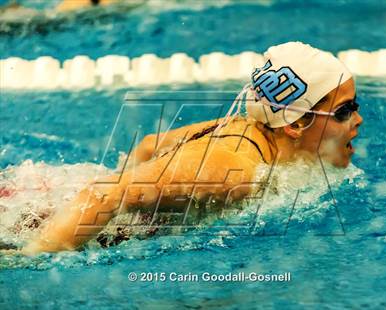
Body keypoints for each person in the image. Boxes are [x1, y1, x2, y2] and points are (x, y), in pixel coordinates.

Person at [22, 42, 362, 254]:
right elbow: (109, 195)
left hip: (46, 205)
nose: (358, 120)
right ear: (296, 122)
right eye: (345, 111)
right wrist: (35, 255)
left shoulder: (244, 127)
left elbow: (148, 146)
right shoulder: (238, 174)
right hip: (40, 225)